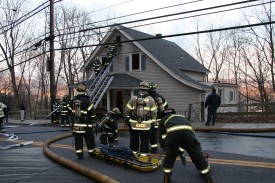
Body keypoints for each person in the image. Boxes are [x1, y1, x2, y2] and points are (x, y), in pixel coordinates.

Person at [158, 108, 215, 183]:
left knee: (170, 156)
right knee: (196, 155)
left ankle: (166, 179)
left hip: (173, 136)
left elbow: (161, 137)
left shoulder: (163, 120)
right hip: (189, 135)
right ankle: (208, 178)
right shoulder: (182, 117)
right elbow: (191, 132)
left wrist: (166, 147)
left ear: (163, 115)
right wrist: (190, 147)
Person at [125, 80, 157, 155]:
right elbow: (154, 112)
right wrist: (153, 120)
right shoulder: (151, 99)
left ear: (140, 88)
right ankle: (143, 155)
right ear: (148, 89)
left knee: (134, 139)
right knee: (145, 140)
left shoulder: (133, 98)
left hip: (134, 123)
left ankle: (133, 153)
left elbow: (127, 109)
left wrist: (128, 118)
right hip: (146, 124)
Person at [69, 83, 96, 160]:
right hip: (86, 125)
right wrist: (92, 119)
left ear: (77, 91)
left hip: (76, 125)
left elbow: (69, 111)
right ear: (85, 91)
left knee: (78, 140)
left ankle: (79, 155)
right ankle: (91, 152)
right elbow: (93, 115)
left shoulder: (73, 101)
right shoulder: (88, 101)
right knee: (89, 139)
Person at [147, 81, 168, 153]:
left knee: (153, 134)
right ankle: (165, 146)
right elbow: (166, 108)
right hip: (161, 119)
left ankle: (154, 149)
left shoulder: (146, 98)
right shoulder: (161, 98)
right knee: (163, 133)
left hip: (151, 120)